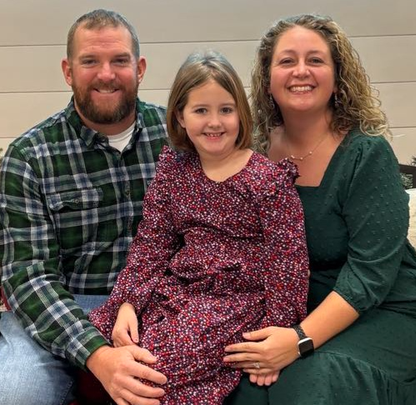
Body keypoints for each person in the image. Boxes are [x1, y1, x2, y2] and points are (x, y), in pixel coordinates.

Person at [222, 14, 416, 405]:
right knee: (237, 381)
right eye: (287, 60)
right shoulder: (249, 151)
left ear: (338, 76)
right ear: (268, 78)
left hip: (385, 309)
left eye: (316, 60)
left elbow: (370, 274)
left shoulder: (366, 154)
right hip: (290, 308)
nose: (301, 71)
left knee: (308, 382)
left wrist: (299, 339)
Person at [0, 9, 171, 405]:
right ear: (68, 71)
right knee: (8, 398)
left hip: (160, 302)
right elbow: (28, 276)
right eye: (90, 61)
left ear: (140, 68)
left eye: (119, 60)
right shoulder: (30, 156)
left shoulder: (179, 138)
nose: (106, 75)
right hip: (61, 303)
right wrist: (98, 355)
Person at [88, 50, 309, 404]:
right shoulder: (174, 171)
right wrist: (128, 303)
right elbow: (152, 244)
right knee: (101, 337)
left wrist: (277, 333)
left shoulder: (267, 180)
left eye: (226, 110)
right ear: (180, 115)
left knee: (154, 364)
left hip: (235, 301)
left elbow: (288, 262)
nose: (214, 122)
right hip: (179, 289)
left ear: (241, 113)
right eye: (201, 110)